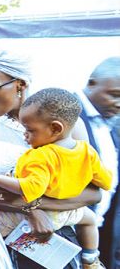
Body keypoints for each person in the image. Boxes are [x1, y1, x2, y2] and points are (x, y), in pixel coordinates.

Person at [0, 48, 101, 269]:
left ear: (20, 84)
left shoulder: (64, 124)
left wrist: (35, 207)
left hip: (57, 240)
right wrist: (31, 210)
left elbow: (92, 193)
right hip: (1, 242)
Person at [78, 57, 120, 267]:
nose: (119, 103)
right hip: (71, 232)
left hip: (101, 231)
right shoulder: (68, 113)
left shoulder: (109, 120)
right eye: (114, 95)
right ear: (92, 83)